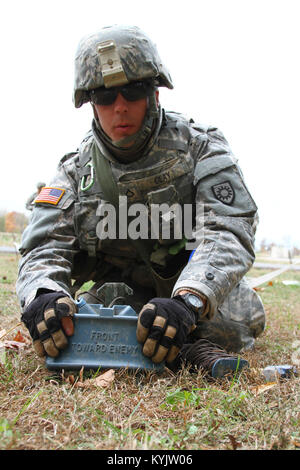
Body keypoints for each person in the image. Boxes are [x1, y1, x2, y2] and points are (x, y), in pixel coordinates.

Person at [16, 25, 265, 377]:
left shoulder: (200, 148)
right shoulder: (75, 173)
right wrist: (43, 294)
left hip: (190, 287)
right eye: (104, 97)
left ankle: (186, 337)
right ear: (90, 103)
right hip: (122, 290)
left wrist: (188, 301)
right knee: (75, 325)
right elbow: (43, 248)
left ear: (155, 94)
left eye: (133, 91)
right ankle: (179, 347)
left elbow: (228, 228)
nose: (119, 108)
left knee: (237, 321)